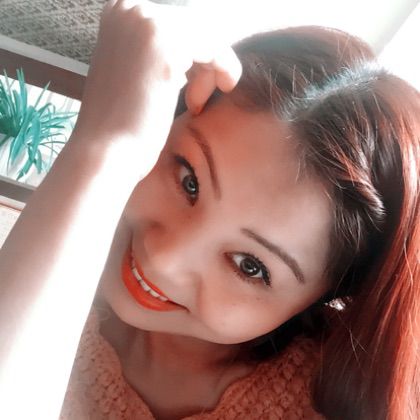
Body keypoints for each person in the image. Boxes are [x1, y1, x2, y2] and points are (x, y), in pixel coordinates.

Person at [0, 1, 418, 419]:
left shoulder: (334, 406)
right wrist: (103, 145)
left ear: (326, 298)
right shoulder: (35, 263)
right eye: (189, 181)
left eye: (250, 265)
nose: (163, 259)